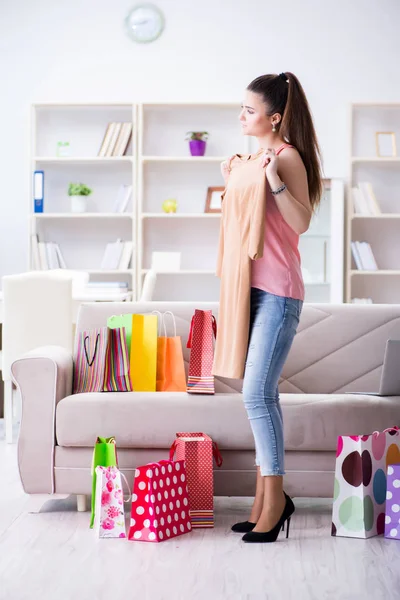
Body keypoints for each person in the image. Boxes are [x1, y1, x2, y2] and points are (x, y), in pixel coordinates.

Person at [217, 72, 324, 543]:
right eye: (241, 108)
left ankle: (275, 500)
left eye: (249, 109)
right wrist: (236, 180)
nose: (241, 116)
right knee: (264, 396)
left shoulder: (287, 157)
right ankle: (264, 500)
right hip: (251, 289)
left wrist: (273, 180)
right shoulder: (249, 159)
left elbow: (300, 222)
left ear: (274, 117)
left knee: (255, 395)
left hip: (280, 291)